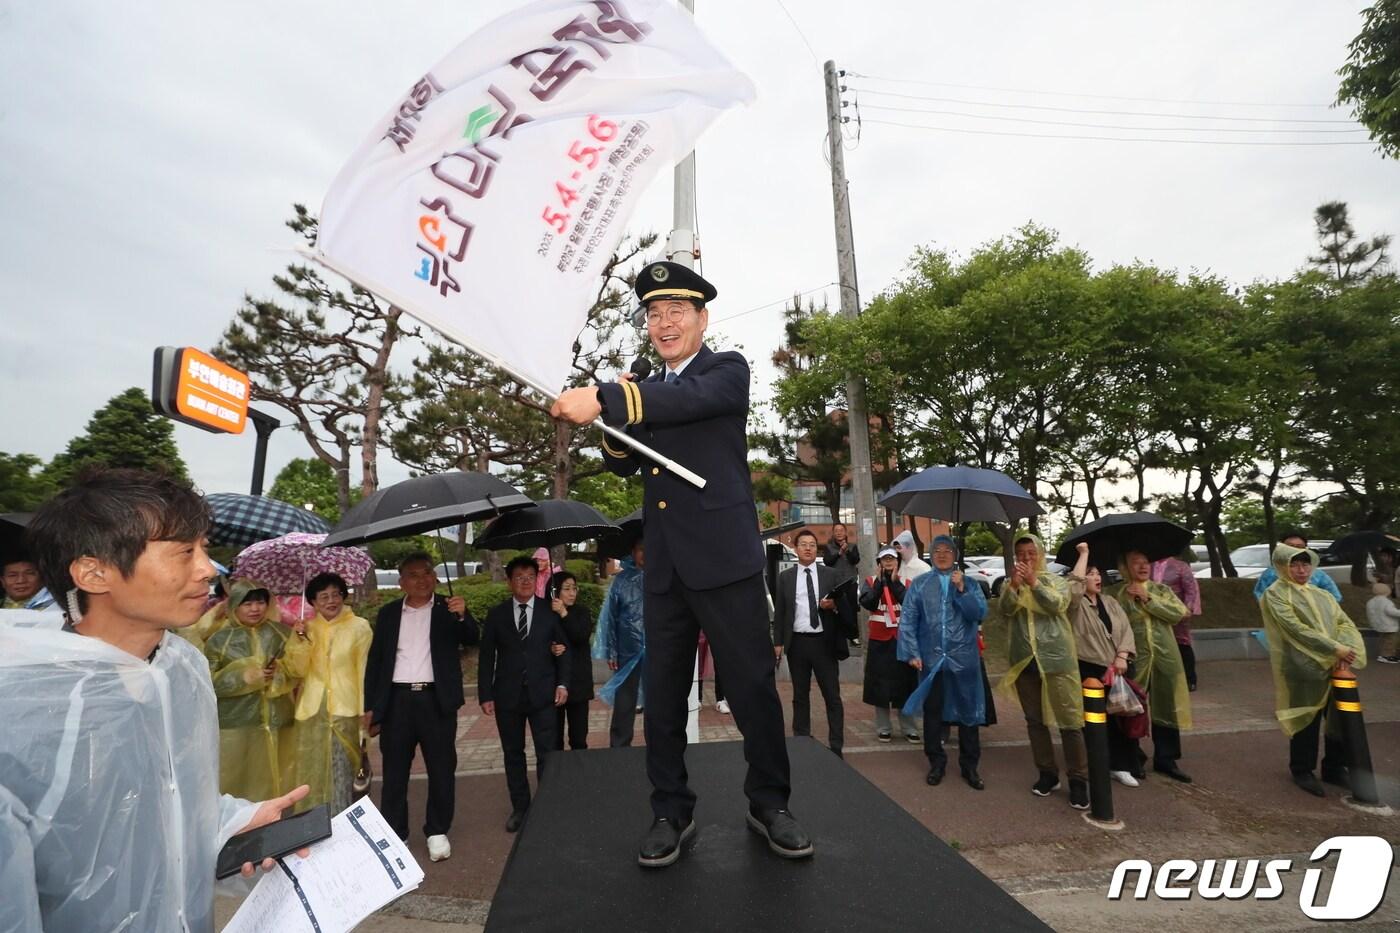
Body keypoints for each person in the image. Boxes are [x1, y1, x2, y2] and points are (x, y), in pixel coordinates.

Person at [551, 260, 810, 867]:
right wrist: (615, 414)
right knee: (662, 699)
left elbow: (690, 401)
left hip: (726, 563)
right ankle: (670, 810)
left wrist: (611, 397)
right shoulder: (645, 386)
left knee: (749, 690)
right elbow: (623, 460)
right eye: (653, 314)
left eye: (676, 311)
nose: (663, 323)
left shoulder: (725, 369)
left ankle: (769, 802)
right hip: (666, 569)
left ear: (701, 318)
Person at [0, 468, 308, 932]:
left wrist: (235, 822)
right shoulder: (23, 701)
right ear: (93, 572)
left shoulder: (181, 667)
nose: (207, 569)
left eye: (204, 548)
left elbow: (171, 798)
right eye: (184, 552)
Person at [363, 554, 478, 861]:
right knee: (395, 770)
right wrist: (371, 706)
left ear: (435, 577)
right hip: (397, 701)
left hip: (436, 700)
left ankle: (437, 830)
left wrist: (463, 615)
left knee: (441, 767)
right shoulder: (388, 614)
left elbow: (472, 638)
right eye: (413, 575)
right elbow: (376, 662)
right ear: (401, 581)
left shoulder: (448, 608)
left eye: (427, 573)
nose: (422, 579)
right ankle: (395, 832)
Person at [1259, 543, 1368, 796]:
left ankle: (1334, 767)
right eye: (1294, 564)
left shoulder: (1323, 595)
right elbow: (1294, 628)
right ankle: (1302, 769)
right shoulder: (1276, 594)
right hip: (1302, 667)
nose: (1300, 570)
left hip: (1334, 664)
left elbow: (1344, 622)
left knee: (1339, 719)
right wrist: (1334, 648)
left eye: (1305, 563)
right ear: (1282, 566)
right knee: (1306, 718)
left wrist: (1346, 649)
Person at [479, 556, 570, 832]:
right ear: (509, 582)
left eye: (530, 575)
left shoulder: (549, 610)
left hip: (544, 693)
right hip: (508, 696)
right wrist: (485, 694)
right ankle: (521, 807)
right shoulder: (496, 615)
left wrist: (563, 684)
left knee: (548, 752)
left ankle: (548, 804)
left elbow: (564, 650)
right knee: (513, 753)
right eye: (519, 576)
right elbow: (486, 657)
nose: (526, 580)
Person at [997, 533, 1087, 807]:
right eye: (1021, 554)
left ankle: (1078, 779)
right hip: (1025, 661)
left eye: (1031, 553)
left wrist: (1034, 583)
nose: (1025, 559)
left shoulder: (1056, 581)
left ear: (1040, 554)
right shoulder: (1009, 584)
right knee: (1035, 721)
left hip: (1057, 660)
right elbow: (1004, 611)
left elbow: (1058, 605)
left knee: (1070, 720)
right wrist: (1014, 587)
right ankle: (1047, 773)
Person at [899, 535, 989, 790]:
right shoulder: (919, 584)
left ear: (955, 554)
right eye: (936, 550)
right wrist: (912, 653)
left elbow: (979, 614)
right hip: (931, 659)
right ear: (930, 554)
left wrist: (962, 591)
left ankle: (970, 766)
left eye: (947, 550)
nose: (941, 554)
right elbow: (908, 620)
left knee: (969, 712)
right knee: (933, 711)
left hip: (964, 659)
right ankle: (936, 762)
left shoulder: (969, 582)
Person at [282, 571, 372, 815]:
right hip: (312, 710)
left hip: (346, 708)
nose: (331, 601)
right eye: (323, 597)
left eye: (336, 595)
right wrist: (300, 640)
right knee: (312, 770)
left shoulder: (359, 627)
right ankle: (312, 826)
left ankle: (344, 823)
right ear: (312, 602)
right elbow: (296, 670)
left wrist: (366, 710)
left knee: (342, 770)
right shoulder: (306, 628)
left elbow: (364, 670)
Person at [205, 579, 299, 802]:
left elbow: (298, 672)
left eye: (260, 602)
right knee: (233, 783)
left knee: (278, 783)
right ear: (234, 606)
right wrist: (244, 677)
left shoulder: (283, 634)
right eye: (247, 604)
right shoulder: (219, 640)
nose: (255, 609)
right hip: (235, 725)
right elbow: (206, 684)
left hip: (278, 722)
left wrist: (278, 674)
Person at [1109, 550, 1193, 783]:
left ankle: (1167, 759)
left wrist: (1148, 598)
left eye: (1146, 562)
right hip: (1135, 659)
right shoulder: (1116, 594)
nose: (1143, 566)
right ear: (1125, 567)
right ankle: (1131, 758)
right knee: (1131, 707)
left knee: (1167, 706)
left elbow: (1178, 613)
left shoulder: (1160, 590)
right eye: (1135, 563)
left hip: (1166, 656)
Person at [1066, 543, 1139, 787]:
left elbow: (1126, 629)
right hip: (1088, 668)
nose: (1096, 578)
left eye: (1098, 573)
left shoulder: (1110, 602)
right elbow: (1073, 588)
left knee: (1122, 716)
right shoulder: (1074, 605)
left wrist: (1122, 655)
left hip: (1118, 667)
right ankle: (1098, 763)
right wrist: (1084, 554)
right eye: (1090, 573)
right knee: (1094, 721)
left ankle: (1122, 765)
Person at [773, 529, 846, 757]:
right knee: (800, 695)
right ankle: (802, 740)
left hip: (824, 642)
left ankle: (836, 745)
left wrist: (833, 606)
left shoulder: (831, 575)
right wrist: (777, 643)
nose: (808, 548)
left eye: (812, 545)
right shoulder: (785, 578)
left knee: (832, 695)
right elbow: (781, 612)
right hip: (798, 643)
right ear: (796, 548)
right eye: (803, 544)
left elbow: (846, 608)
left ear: (818, 549)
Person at [860, 545, 918, 742]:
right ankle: (884, 727)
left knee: (906, 685)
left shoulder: (907, 582)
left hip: (902, 641)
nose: (888, 563)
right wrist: (879, 583)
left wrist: (894, 584)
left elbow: (910, 603)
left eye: (892, 559)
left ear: (898, 562)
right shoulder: (869, 582)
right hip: (879, 641)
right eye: (884, 559)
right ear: (879, 563)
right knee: (880, 686)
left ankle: (909, 727)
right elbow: (867, 602)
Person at [594, 540, 647, 747]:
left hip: (658, 651)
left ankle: (660, 747)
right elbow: (610, 618)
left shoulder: (662, 576)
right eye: (642, 548)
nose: (646, 553)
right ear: (632, 552)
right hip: (627, 651)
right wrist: (612, 650)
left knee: (657, 702)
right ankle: (619, 747)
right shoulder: (622, 581)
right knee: (625, 702)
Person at [549, 569, 596, 749]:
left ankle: (579, 774)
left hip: (579, 682)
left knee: (578, 738)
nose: (572, 593)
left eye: (574, 588)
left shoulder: (581, 612)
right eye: (566, 589)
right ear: (555, 592)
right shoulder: (547, 613)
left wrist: (563, 613)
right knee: (554, 738)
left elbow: (580, 636)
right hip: (555, 682)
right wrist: (550, 648)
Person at [1152, 549, 1201, 691]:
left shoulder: (1180, 566)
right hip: (1155, 611)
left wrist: (1188, 608)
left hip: (1177, 611)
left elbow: (1190, 589)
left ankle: (1190, 679)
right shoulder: (1149, 565)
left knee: (1183, 643)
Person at [1253, 532, 1343, 604]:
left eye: (1299, 547)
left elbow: (1335, 597)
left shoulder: (1318, 574)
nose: (1294, 550)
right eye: (1290, 546)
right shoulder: (1271, 573)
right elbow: (1261, 596)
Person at [823, 522, 861, 646]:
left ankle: (853, 636)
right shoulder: (828, 547)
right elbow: (827, 561)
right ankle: (839, 635)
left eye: (841, 530)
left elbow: (855, 560)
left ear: (845, 533)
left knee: (852, 609)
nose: (839, 532)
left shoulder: (852, 546)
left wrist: (847, 551)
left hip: (850, 582)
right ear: (833, 534)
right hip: (836, 584)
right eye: (836, 531)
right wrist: (839, 553)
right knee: (837, 609)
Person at [1366, 582, 1400, 663]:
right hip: (1389, 626)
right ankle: (1388, 656)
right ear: (1387, 591)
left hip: (1378, 625)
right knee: (1389, 642)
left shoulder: (1370, 601)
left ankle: (1382, 655)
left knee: (1382, 640)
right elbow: (1391, 611)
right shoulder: (1386, 602)